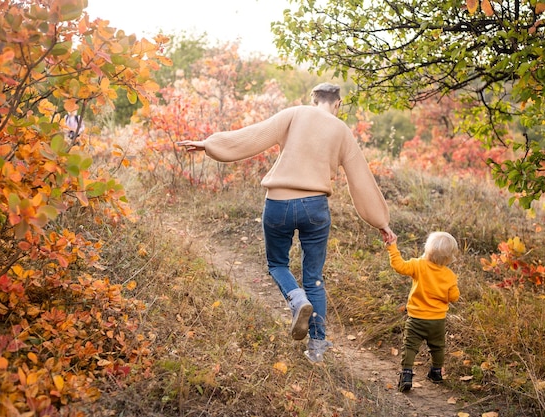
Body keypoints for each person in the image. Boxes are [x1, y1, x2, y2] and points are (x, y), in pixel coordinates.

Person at [177, 82, 396, 363]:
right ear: (338, 104)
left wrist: (209, 144)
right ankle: (317, 346)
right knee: (314, 277)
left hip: (278, 204)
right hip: (315, 208)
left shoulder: (294, 114)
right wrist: (381, 221)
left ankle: (296, 299)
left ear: (313, 99)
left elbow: (251, 136)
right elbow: (361, 179)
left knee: (278, 264)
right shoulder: (342, 131)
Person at [385, 231, 459, 392]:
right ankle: (436, 372)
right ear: (449, 258)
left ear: (427, 249)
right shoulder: (449, 275)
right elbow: (453, 297)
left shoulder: (418, 265)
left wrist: (392, 248)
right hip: (437, 321)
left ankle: (406, 374)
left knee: (410, 346)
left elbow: (399, 266)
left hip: (416, 318)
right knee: (438, 347)